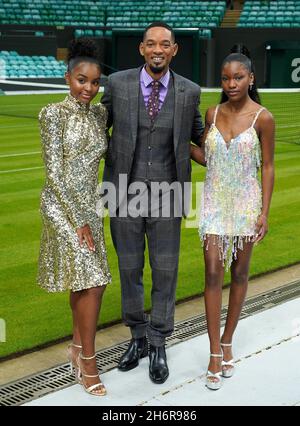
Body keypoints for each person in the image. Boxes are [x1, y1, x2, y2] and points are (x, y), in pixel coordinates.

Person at [101, 22, 204, 384]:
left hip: (169, 192)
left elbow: (199, 138)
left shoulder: (190, 91)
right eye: (151, 44)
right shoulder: (118, 85)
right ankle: (138, 338)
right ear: (141, 49)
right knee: (129, 270)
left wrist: (236, 148)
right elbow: (99, 131)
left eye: (165, 44)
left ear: (174, 50)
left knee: (165, 271)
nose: (157, 49)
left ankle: (159, 341)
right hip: (121, 192)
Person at [191, 46, 275, 390]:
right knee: (212, 270)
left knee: (239, 272)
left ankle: (228, 341)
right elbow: (209, 158)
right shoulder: (211, 114)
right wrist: (180, 144)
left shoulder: (263, 118)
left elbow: (268, 166)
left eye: (238, 77)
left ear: (251, 78)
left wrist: (264, 212)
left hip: (245, 205)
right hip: (212, 203)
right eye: (225, 78)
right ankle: (214, 352)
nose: (231, 83)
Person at [37, 39, 111, 397]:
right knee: (94, 281)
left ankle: (76, 350)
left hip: (91, 205)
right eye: (82, 81)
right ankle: (89, 362)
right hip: (62, 206)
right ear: (68, 78)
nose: (89, 89)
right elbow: (54, 173)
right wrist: (78, 219)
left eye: (95, 83)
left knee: (83, 281)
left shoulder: (99, 114)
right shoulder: (53, 113)